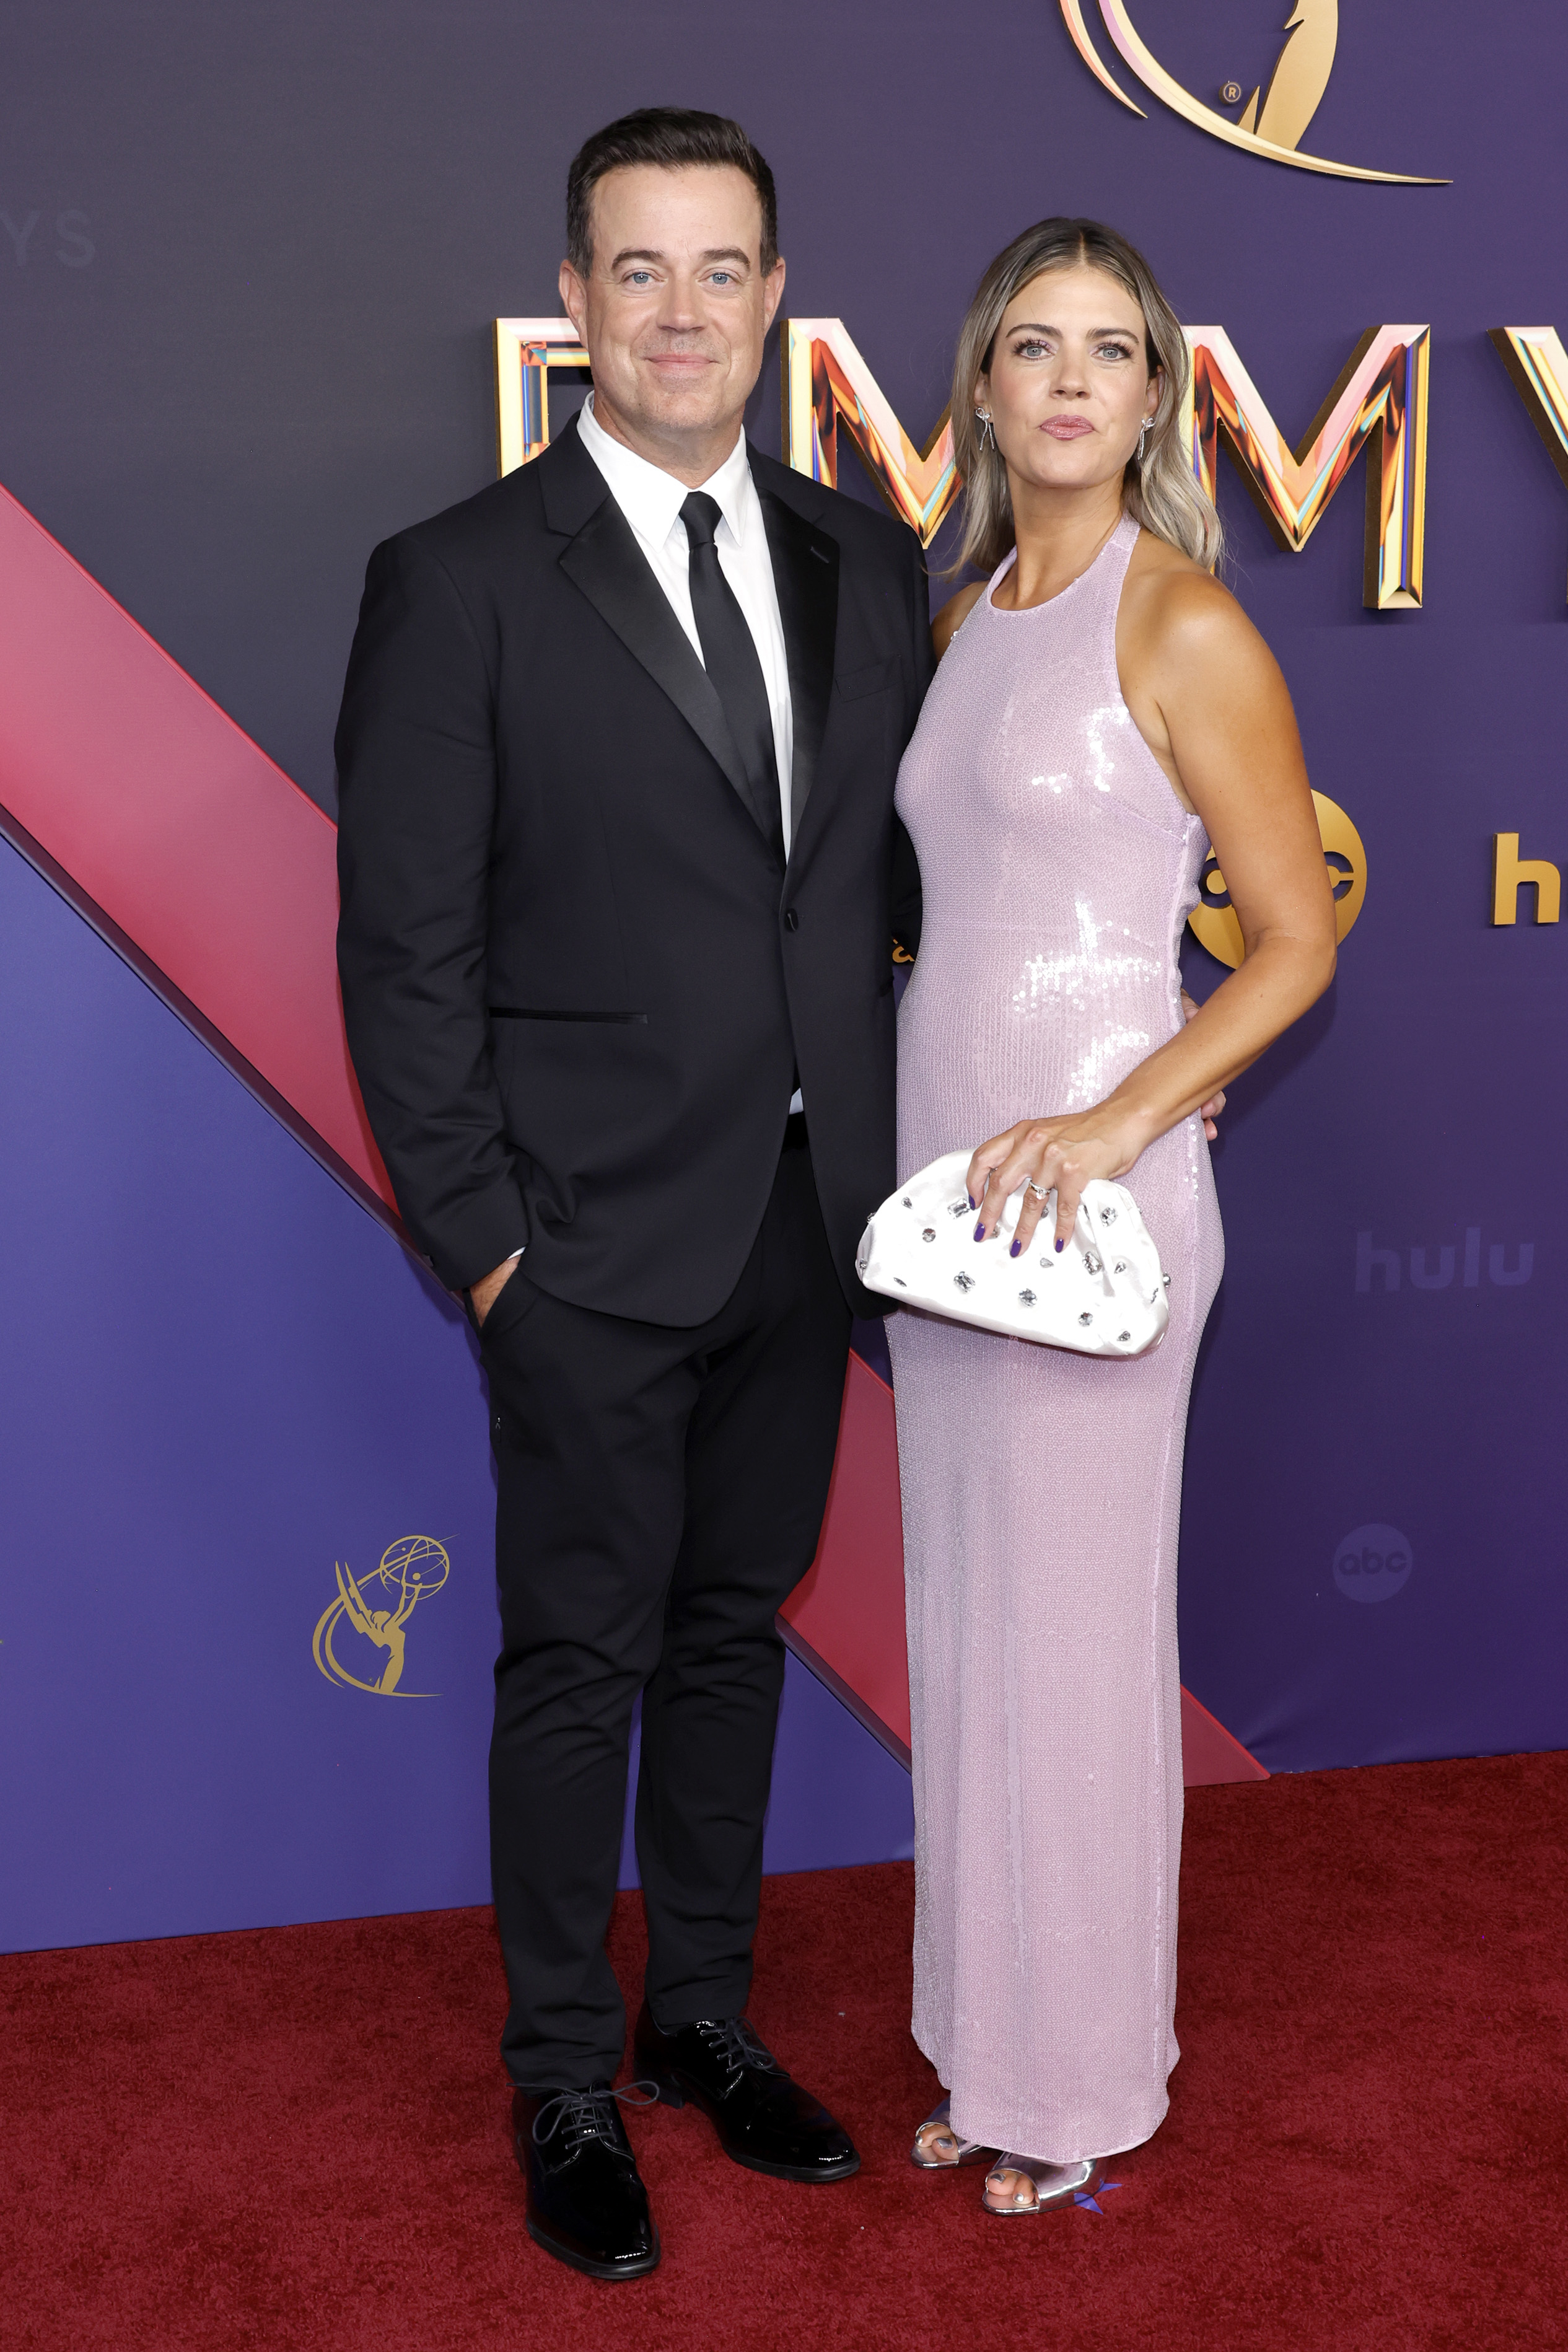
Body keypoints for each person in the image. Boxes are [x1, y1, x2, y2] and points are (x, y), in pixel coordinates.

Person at [333, 109, 931, 2281]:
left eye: (723, 268)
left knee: (727, 1639)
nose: (683, 311)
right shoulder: (462, 577)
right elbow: (405, 951)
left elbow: (902, 900)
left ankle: (703, 2016)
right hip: (573, 1239)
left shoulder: (872, 559)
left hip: (806, 1225)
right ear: (573, 305)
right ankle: (565, 2070)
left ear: (775, 298)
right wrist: (482, 1238)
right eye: (640, 269)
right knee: (576, 1658)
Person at [887, 218, 1336, 2213]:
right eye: (1033, 348)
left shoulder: (1183, 624)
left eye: (1112, 352)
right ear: (981, 388)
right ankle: (986, 2048)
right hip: (943, 1201)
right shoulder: (968, 609)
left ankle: (1077, 2093)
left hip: (1100, 1197)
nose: (1070, 383)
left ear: (1156, 398)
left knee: (1069, 1646)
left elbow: (1290, 940)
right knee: (971, 1635)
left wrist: (1115, 1112)